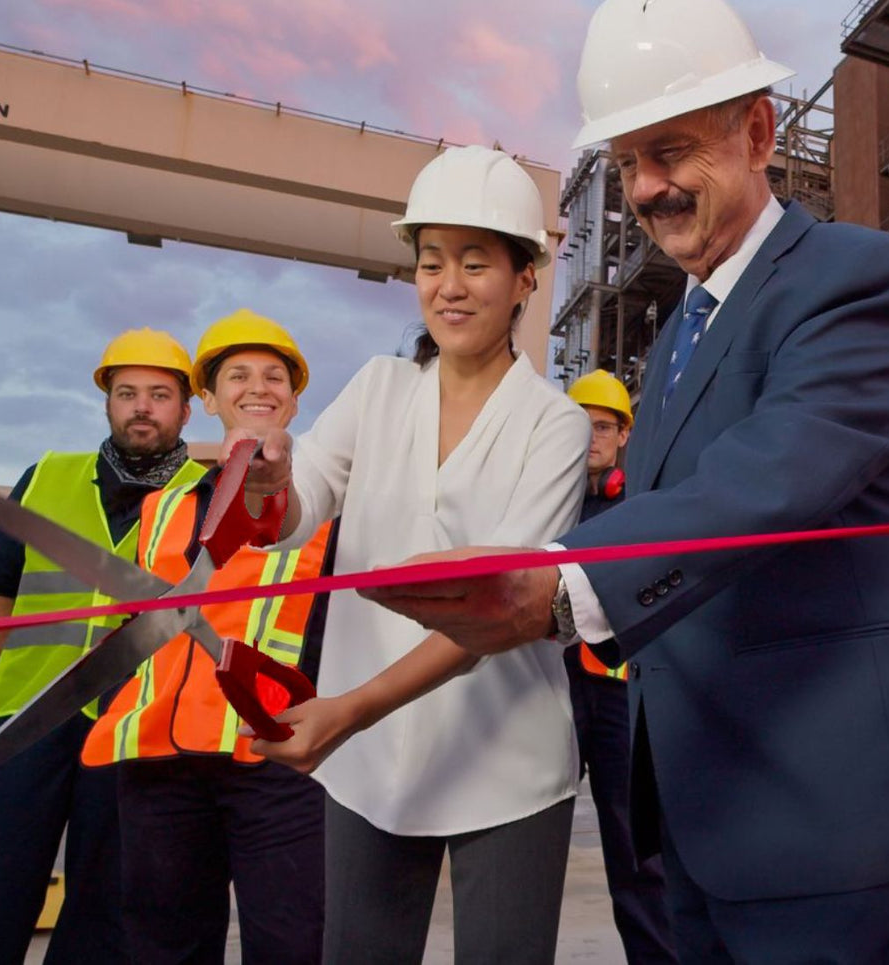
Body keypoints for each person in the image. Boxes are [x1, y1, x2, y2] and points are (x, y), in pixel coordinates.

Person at [357, 1, 889, 959]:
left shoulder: (854, 278)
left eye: (669, 152)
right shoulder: (674, 340)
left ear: (756, 132)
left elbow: (773, 474)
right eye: (625, 164)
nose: (646, 188)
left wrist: (558, 582)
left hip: (835, 811)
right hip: (707, 813)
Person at [239, 145, 590, 964]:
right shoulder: (377, 388)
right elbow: (292, 516)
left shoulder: (554, 422)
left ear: (524, 277)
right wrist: (266, 479)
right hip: (370, 766)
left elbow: (500, 611)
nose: (449, 285)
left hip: (506, 761)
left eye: (476, 262)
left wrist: (345, 708)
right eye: (431, 262)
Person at [0, 329, 206, 964]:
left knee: (108, 905)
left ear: (185, 410)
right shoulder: (48, 476)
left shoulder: (205, 496)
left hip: (133, 725)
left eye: (160, 395)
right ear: (107, 403)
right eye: (127, 392)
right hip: (26, 717)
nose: (142, 406)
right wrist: (26, 662)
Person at [81, 310, 333, 964]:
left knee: (291, 944)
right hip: (161, 763)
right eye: (238, 375)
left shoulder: (330, 504)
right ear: (210, 398)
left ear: (295, 397)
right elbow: (129, 626)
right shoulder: (163, 505)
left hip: (275, 757)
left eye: (274, 376)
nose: (258, 387)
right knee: (163, 946)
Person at [563, 369, 677, 964]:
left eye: (602, 426)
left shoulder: (639, 500)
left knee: (635, 851)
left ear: (624, 434)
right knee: (530, 832)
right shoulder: (543, 497)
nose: (590, 436)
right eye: (578, 424)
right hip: (553, 692)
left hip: (619, 696)